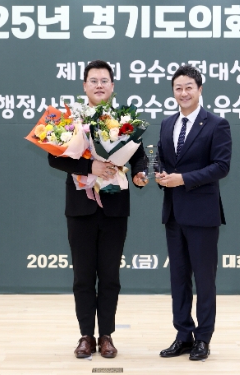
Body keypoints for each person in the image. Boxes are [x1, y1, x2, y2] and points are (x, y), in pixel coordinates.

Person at [47, 60, 148, 359]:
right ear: (85, 85)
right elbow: (54, 158)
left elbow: (138, 155)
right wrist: (89, 166)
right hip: (81, 208)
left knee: (109, 276)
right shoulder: (71, 118)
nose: (99, 85)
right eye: (94, 80)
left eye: (104, 80)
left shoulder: (125, 119)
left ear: (112, 86)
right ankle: (85, 336)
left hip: (115, 208)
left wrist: (140, 173)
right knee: (82, 276)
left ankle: (106, 336)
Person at [155, 64, 232, 361]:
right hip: (174, 213)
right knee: (178, 278)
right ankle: (183, 335)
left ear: (200, 89)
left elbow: (221, 166)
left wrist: (183, 179)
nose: (183, 93)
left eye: (189, 87)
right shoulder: (167, 124)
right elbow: (162, 159)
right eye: (178, 88)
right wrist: (160, 175)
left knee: (204, 280)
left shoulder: (216, 124)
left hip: (202, 214)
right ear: (173, 92)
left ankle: (203, 338)